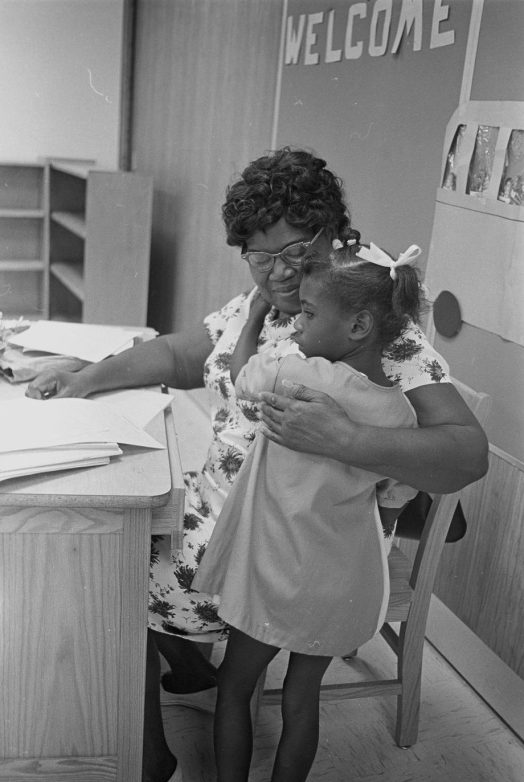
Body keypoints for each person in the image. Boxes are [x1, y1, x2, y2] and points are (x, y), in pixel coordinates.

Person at [26, 147, 488, 782]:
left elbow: (466, 454)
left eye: (293, 253)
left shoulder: (378, 326)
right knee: (124, 520)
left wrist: (345, 437)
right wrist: (88, 378)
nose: (275, 274)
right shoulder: (266, 302)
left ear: (334, 234)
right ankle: (187, 665)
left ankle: (150, 748)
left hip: (287, 553)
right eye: (257, 256)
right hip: (234, 520)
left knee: (106, 560)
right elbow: (183, 356)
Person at [192, 240, 423, 781]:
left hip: (270, 569)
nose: (295, 323)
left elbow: (239, 373)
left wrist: (253, 318)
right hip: (338, 581)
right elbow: (394, 498)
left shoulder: (291, 373)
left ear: (360, 326)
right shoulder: (400, 413)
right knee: (303, 700)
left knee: (235, 688)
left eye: (309, 313)